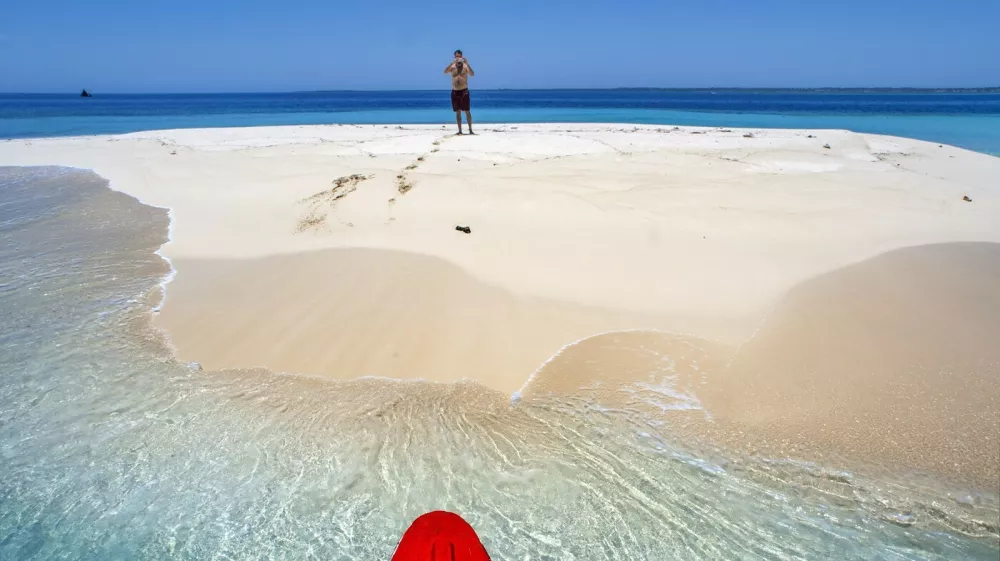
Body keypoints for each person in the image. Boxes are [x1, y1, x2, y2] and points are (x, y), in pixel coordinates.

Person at [444, 50, 475, 135]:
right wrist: (451, 63)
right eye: (456, 57)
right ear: (454, 57)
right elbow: (445, 72)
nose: (458, 58)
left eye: (459, 57)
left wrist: (467, 63)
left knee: (467, 111)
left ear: (462, 57)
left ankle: (470, 129)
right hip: (455, 92)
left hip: (464, 91)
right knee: (458, 112)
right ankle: (460, 130)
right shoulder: (452, 67)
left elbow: (472, 74)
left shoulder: (465, 66)